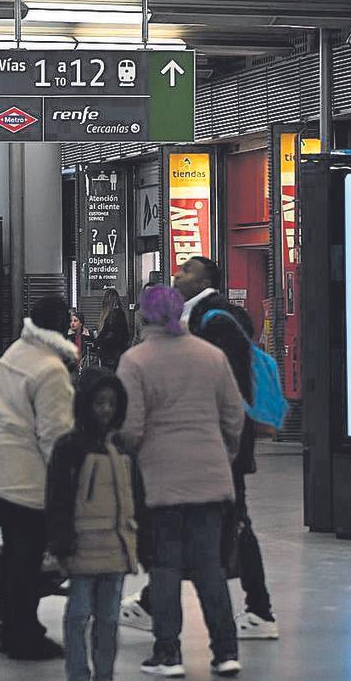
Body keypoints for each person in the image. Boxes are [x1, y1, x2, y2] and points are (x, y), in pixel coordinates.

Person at [120, 256, 279, 642]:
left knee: (230, 526)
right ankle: (155, 603)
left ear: (207, 279)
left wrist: (226, 452)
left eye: (187, 269)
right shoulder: (207, 318)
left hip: (215, 451)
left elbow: (230, 394)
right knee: (221, 526)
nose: (177, 273)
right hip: (212, 450)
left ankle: (258, 611)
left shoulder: (215, 320)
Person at [116, 285, 245, 678]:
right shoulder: (212, 357)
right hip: (211, 476)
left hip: (161, 481)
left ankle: (168, 654)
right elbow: (234, 417)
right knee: (210, 567)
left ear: (145, 317)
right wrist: (223, 454)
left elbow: (131, 428)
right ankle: (225, 652)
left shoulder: (135, 361)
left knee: (166, 566)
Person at [0, 295, 77, 660]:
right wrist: (68, 481)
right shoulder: (50, 369)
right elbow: (56, 435)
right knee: (28, 555)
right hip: (27, 472)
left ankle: (19, 626)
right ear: (59, 322)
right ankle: (21, 635)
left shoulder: (17, 352)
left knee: (14, 553)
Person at [45, 367, 138, 681]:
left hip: (115, 548)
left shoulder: (122, 448)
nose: (106, 410)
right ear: (86, 403)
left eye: (111, 403)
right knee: (79, 616)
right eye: (100, 402)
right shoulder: (70, 447)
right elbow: (57, 498)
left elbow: (133, 498)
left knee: (108, 618)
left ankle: (104, 674)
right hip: (82, 548)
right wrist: (60, 540)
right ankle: (78, 674)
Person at [95, 288, 132, 372]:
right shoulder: (120, 314)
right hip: (117, 355)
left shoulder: (111, 317)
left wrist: (98, 341)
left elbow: (109, 336)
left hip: (110, 356)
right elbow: (124, 336)